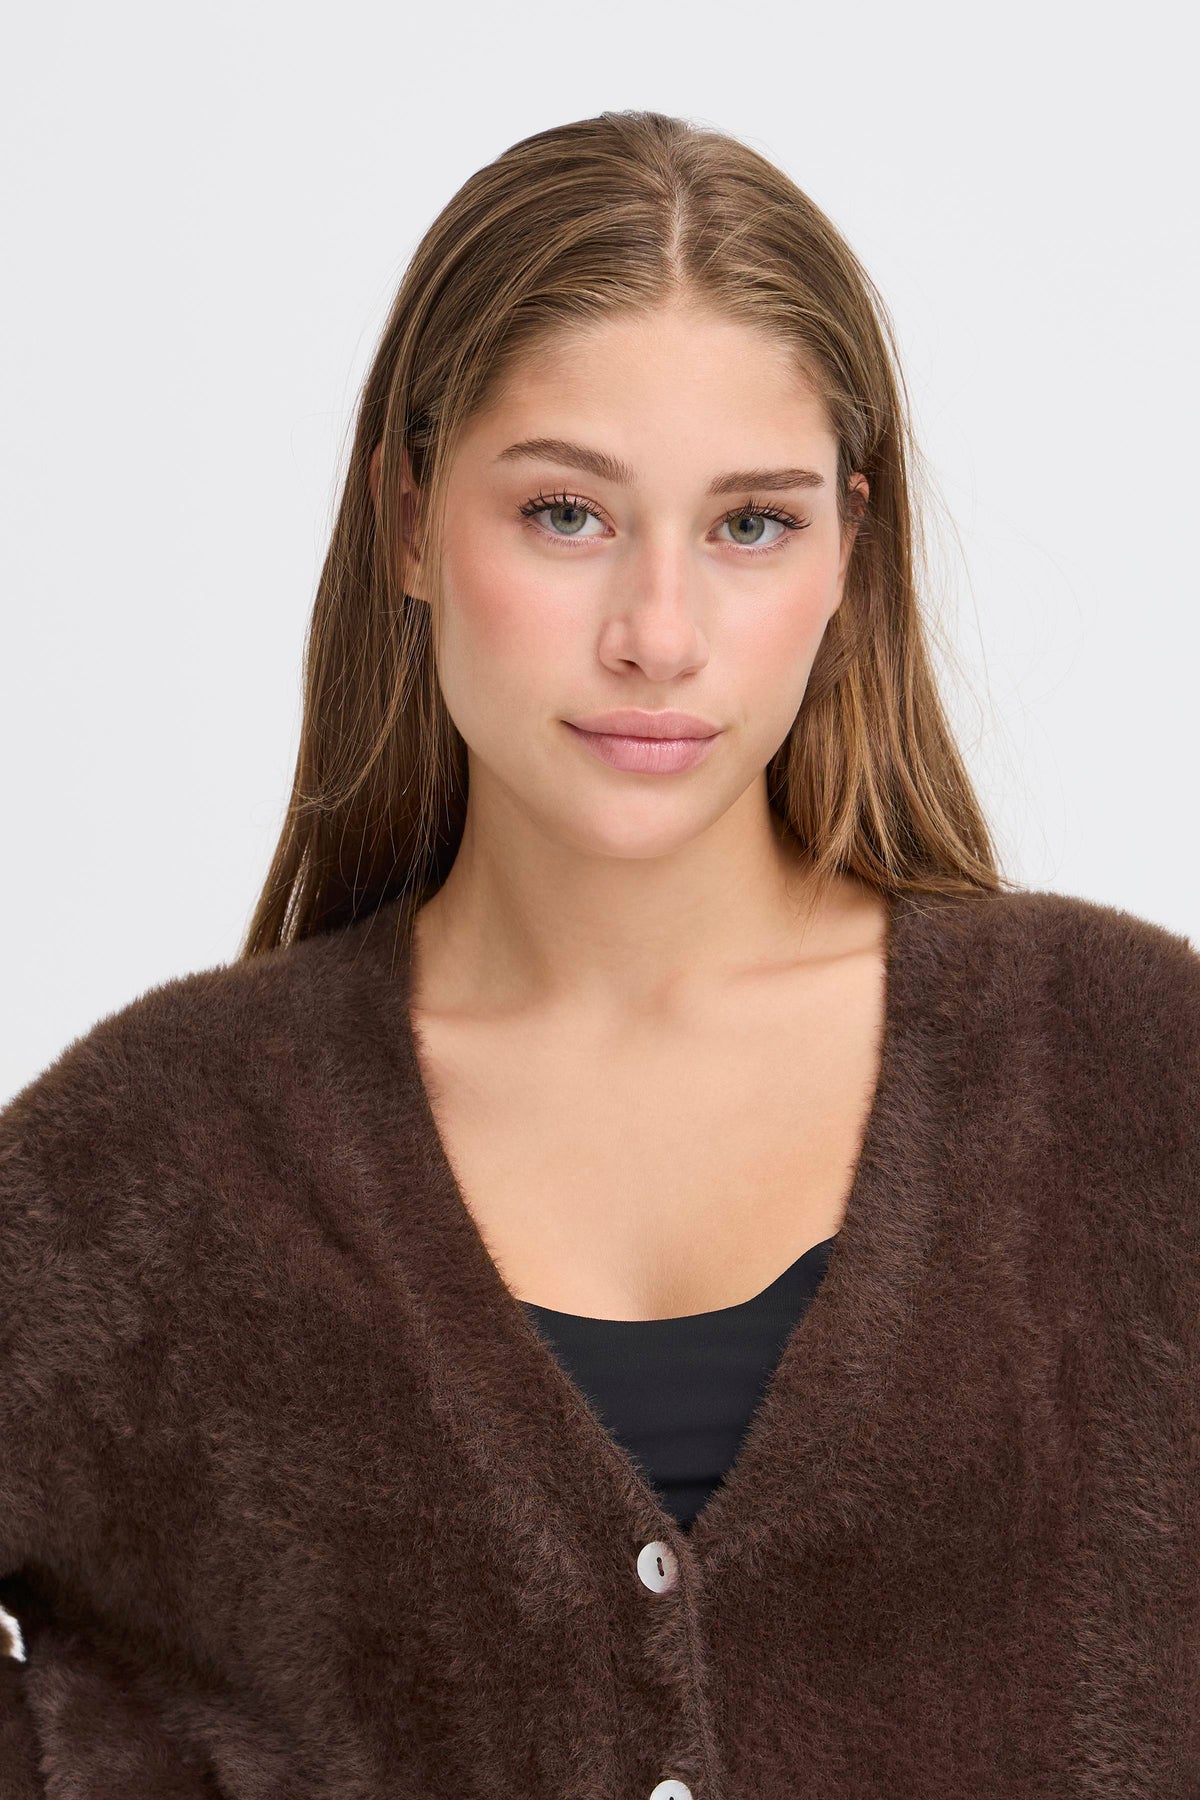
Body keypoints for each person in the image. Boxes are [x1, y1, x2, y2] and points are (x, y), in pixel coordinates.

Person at [2, 108, 1197, 1799]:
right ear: (410, 520)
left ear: (848, 555)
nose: (658, 633)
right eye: (567, 513)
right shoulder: (158, 1161)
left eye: (750, 525)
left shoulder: (1129, 1080)